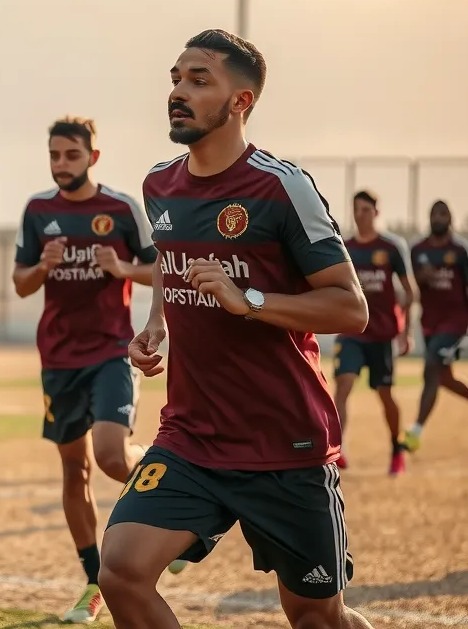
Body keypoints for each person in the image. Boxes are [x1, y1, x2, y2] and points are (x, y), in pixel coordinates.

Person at [99, 30, 376, 629]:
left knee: (316, 617)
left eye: (200, 80)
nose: (178, 92)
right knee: (120, 569)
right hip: (191, 438)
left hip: (285, 446)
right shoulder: (160, 185)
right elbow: (173, 268)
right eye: (175, 78)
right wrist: (156, 326)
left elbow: (349, 308)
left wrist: (246, 299)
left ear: (241, 102)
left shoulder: (281, 187)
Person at [12, 116, 159, 624]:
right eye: (54, 155)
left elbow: (161, 269)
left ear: (93, 158)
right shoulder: (37, 211)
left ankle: (173, 490)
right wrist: (42, 267)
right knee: (74, 471)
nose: (60, 165)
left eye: (71, 156)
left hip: (110, 353)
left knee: (113, 458)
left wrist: (121, 269)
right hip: (57, 359)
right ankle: (94, 584)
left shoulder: (119, 209)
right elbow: (21, 284)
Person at [333, 190, 415, 476]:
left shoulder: (391, 247)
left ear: (376, 213)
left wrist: (406, 331)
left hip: (382, 335)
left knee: (385, 394)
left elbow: (409, 291)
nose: (360, 214)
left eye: (366, 210)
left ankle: (397, 447)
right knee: (343, 384)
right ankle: (338, 447)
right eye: (356, 209)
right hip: (352, 330)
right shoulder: (343, 247)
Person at [404, 200, 468, 452]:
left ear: (451, 218)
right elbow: (415, 284)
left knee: (431, 367)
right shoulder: (418, 250)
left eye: (443, 213)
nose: (439, 218)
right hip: (430, 322)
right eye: (434, 213)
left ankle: (415, 431)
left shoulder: (462, 250)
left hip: (456, 322)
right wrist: (423, 277)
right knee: (443, 376)